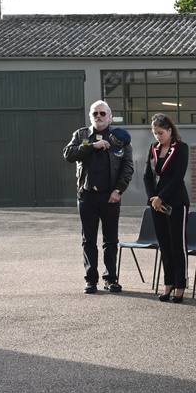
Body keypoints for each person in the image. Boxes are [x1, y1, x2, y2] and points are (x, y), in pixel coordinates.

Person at [62, 100, 134, 294]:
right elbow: (68, 154)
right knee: (89, 240)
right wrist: (92, 146)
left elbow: (128, 166)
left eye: (103, 113)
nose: (99, 117)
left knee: (111, 240)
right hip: (87, 195)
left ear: (110, 116)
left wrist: (118, 190)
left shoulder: (120, 137)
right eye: (95, 114)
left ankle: (111, 279)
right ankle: (90, 280)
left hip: (110, 196)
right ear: (90, 116)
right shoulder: (81, 135)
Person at [144, 114, 190, 303]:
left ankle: (180, 285)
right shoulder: (153, 148)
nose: (158, 137)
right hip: (157, 204)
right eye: (155, 133)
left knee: (177, 245)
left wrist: (162, 197)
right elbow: (147, 176)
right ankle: (168, 283)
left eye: (161, 133)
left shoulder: (181, 148)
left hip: (176, 202)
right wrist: (153, 198)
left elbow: (178, 177)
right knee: (164, 245)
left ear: (170, 131)